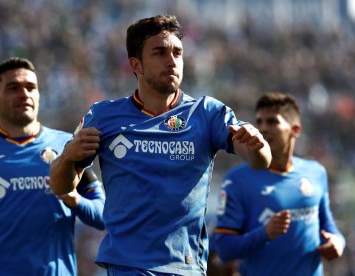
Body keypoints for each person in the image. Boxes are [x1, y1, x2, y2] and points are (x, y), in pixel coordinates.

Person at [50, 15, 271, 276]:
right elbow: (61, 185)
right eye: (160, 52)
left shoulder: (206, 113)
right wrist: (67, 158)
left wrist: (257, 144)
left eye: (178, 52)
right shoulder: (103, 117)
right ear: (136, 65)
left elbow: (260, 160)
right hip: (128, 266)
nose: (172, 60)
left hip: (185, 266)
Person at [0, 57, 105, 275]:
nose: (24, 93)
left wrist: (76, 200)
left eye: (31, 87)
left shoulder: (68, 146)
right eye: (13, 88)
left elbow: (103, 213)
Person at [210, 92, 346, 275]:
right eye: (259, 122)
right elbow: (224, 249)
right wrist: (264, 233)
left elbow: (328, 226)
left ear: (295, 130)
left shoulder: (316, 172)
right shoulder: (238, 180)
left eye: (272, 122)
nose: (263, 128)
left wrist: (337, 242)